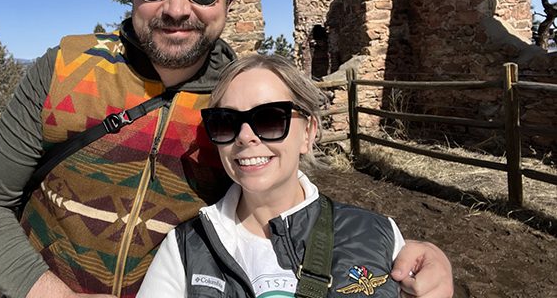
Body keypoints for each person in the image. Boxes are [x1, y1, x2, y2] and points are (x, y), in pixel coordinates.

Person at [0, 0, 453, 298]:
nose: (176, 8)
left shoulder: (239, 102)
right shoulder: (65, 69)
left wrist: (400, 254)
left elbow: (288, 208)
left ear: (228, 0)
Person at [138, 54, 407, 297]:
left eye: (269, 119)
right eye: (225, 122)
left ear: (308, 132)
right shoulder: (186, 248)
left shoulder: (379, 236)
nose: (245, 137)